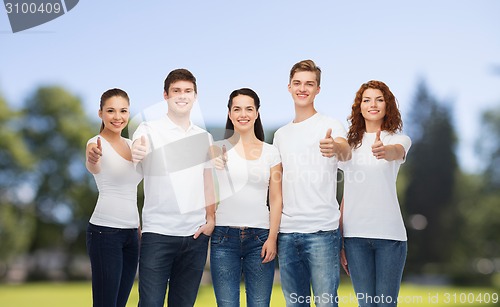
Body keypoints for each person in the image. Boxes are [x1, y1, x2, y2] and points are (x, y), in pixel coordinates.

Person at [131, 68, 216, 307]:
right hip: (157, 233)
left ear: (195, 96)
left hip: (195, 236)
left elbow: (208, 181)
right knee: (150, 303)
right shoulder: (148, 129)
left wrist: (210, 219)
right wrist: (136, 151)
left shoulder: (204, 137)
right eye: (176, 90)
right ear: (166, 95)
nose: (182, 95)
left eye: (188, 91)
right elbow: (136, 149)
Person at [273, 59, 351, 307]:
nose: (302, 88)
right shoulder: (280, 135)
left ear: (318, 89)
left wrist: (335, 147)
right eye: (297, 83)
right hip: (287, 234)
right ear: (289, 87)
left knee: (327, 303)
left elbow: (347, 152)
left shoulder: (330, 125)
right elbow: (275, 183)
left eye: (309, 84)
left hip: (322, 232)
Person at [339, 80, 411, 307]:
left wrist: (384, 150)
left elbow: (395, 152)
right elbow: (347, 195)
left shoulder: (398, 139)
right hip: (355, 238)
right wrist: (340, 238)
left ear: (387, 105)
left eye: (379, 99)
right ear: (359, 107)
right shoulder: (349, 146)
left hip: (390, 237)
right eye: (367, 99)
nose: (373, 104)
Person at [210, 88, 283, 306]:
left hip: (260, 238)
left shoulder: (271, 152)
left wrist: (272, 238)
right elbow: (207, 192)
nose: (243, 114)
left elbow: (277, 198)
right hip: (223, 237)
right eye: (237, 109)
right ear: (230, 114)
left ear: (257, 113)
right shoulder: (217, 149)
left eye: (249, 108)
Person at [85, 88, 142, 307]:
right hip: (105, 232)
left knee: (120, 303)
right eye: (111, 111)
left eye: (123, 111)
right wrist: (93, 157)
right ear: (100, 113)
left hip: (132, 235)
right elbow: (92, 163)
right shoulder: (95, 143)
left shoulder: (131, 145)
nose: (117, 117)